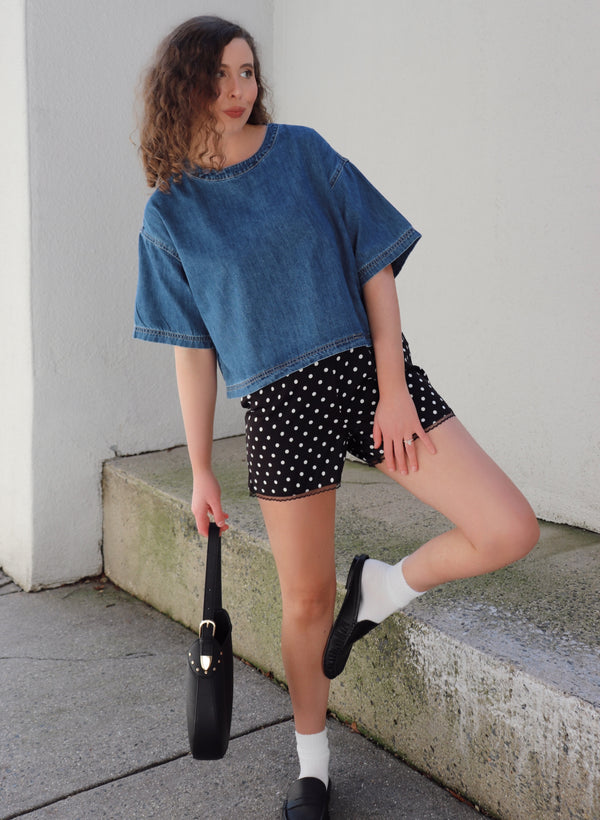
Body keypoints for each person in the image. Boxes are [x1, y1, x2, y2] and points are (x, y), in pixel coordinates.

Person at [134, 15, 539, 819]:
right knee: (305, 603)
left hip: (366, 375)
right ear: (184, 86)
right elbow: (193, 351)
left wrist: (393, 385)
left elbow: (375, 267)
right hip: (278, 407)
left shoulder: (305, 153)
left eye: (247, 72)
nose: (237, 91)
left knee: (508, 527)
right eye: (219, 76)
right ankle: (311, 770)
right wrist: (201, 468)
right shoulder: (170, 215)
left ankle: (381, 589)